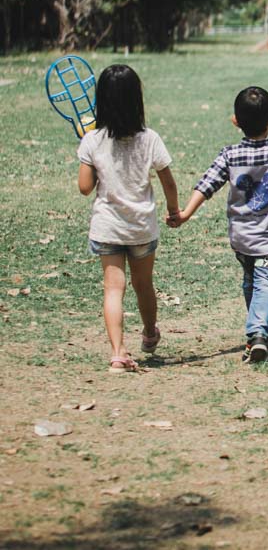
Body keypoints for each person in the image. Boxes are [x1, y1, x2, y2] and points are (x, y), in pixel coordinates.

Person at [171, 86, 268, 362]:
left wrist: (185, 214)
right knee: (266, 281)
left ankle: (257, 331)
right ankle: (259, 331)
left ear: (235, 121)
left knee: (252, 279)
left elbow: (206, 186)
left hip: (240, 238)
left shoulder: (229, 155)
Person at [76, 65, 179, 372]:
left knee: (112, 289)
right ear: (137, 100)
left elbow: (84, 188)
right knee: (143, 284)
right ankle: (149, 333)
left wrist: (87, 157)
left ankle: (118, 352)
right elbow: (169, 183)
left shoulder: (92, 141)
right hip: (141, 228)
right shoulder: (150, 139)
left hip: (107, 228)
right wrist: (174, 210)